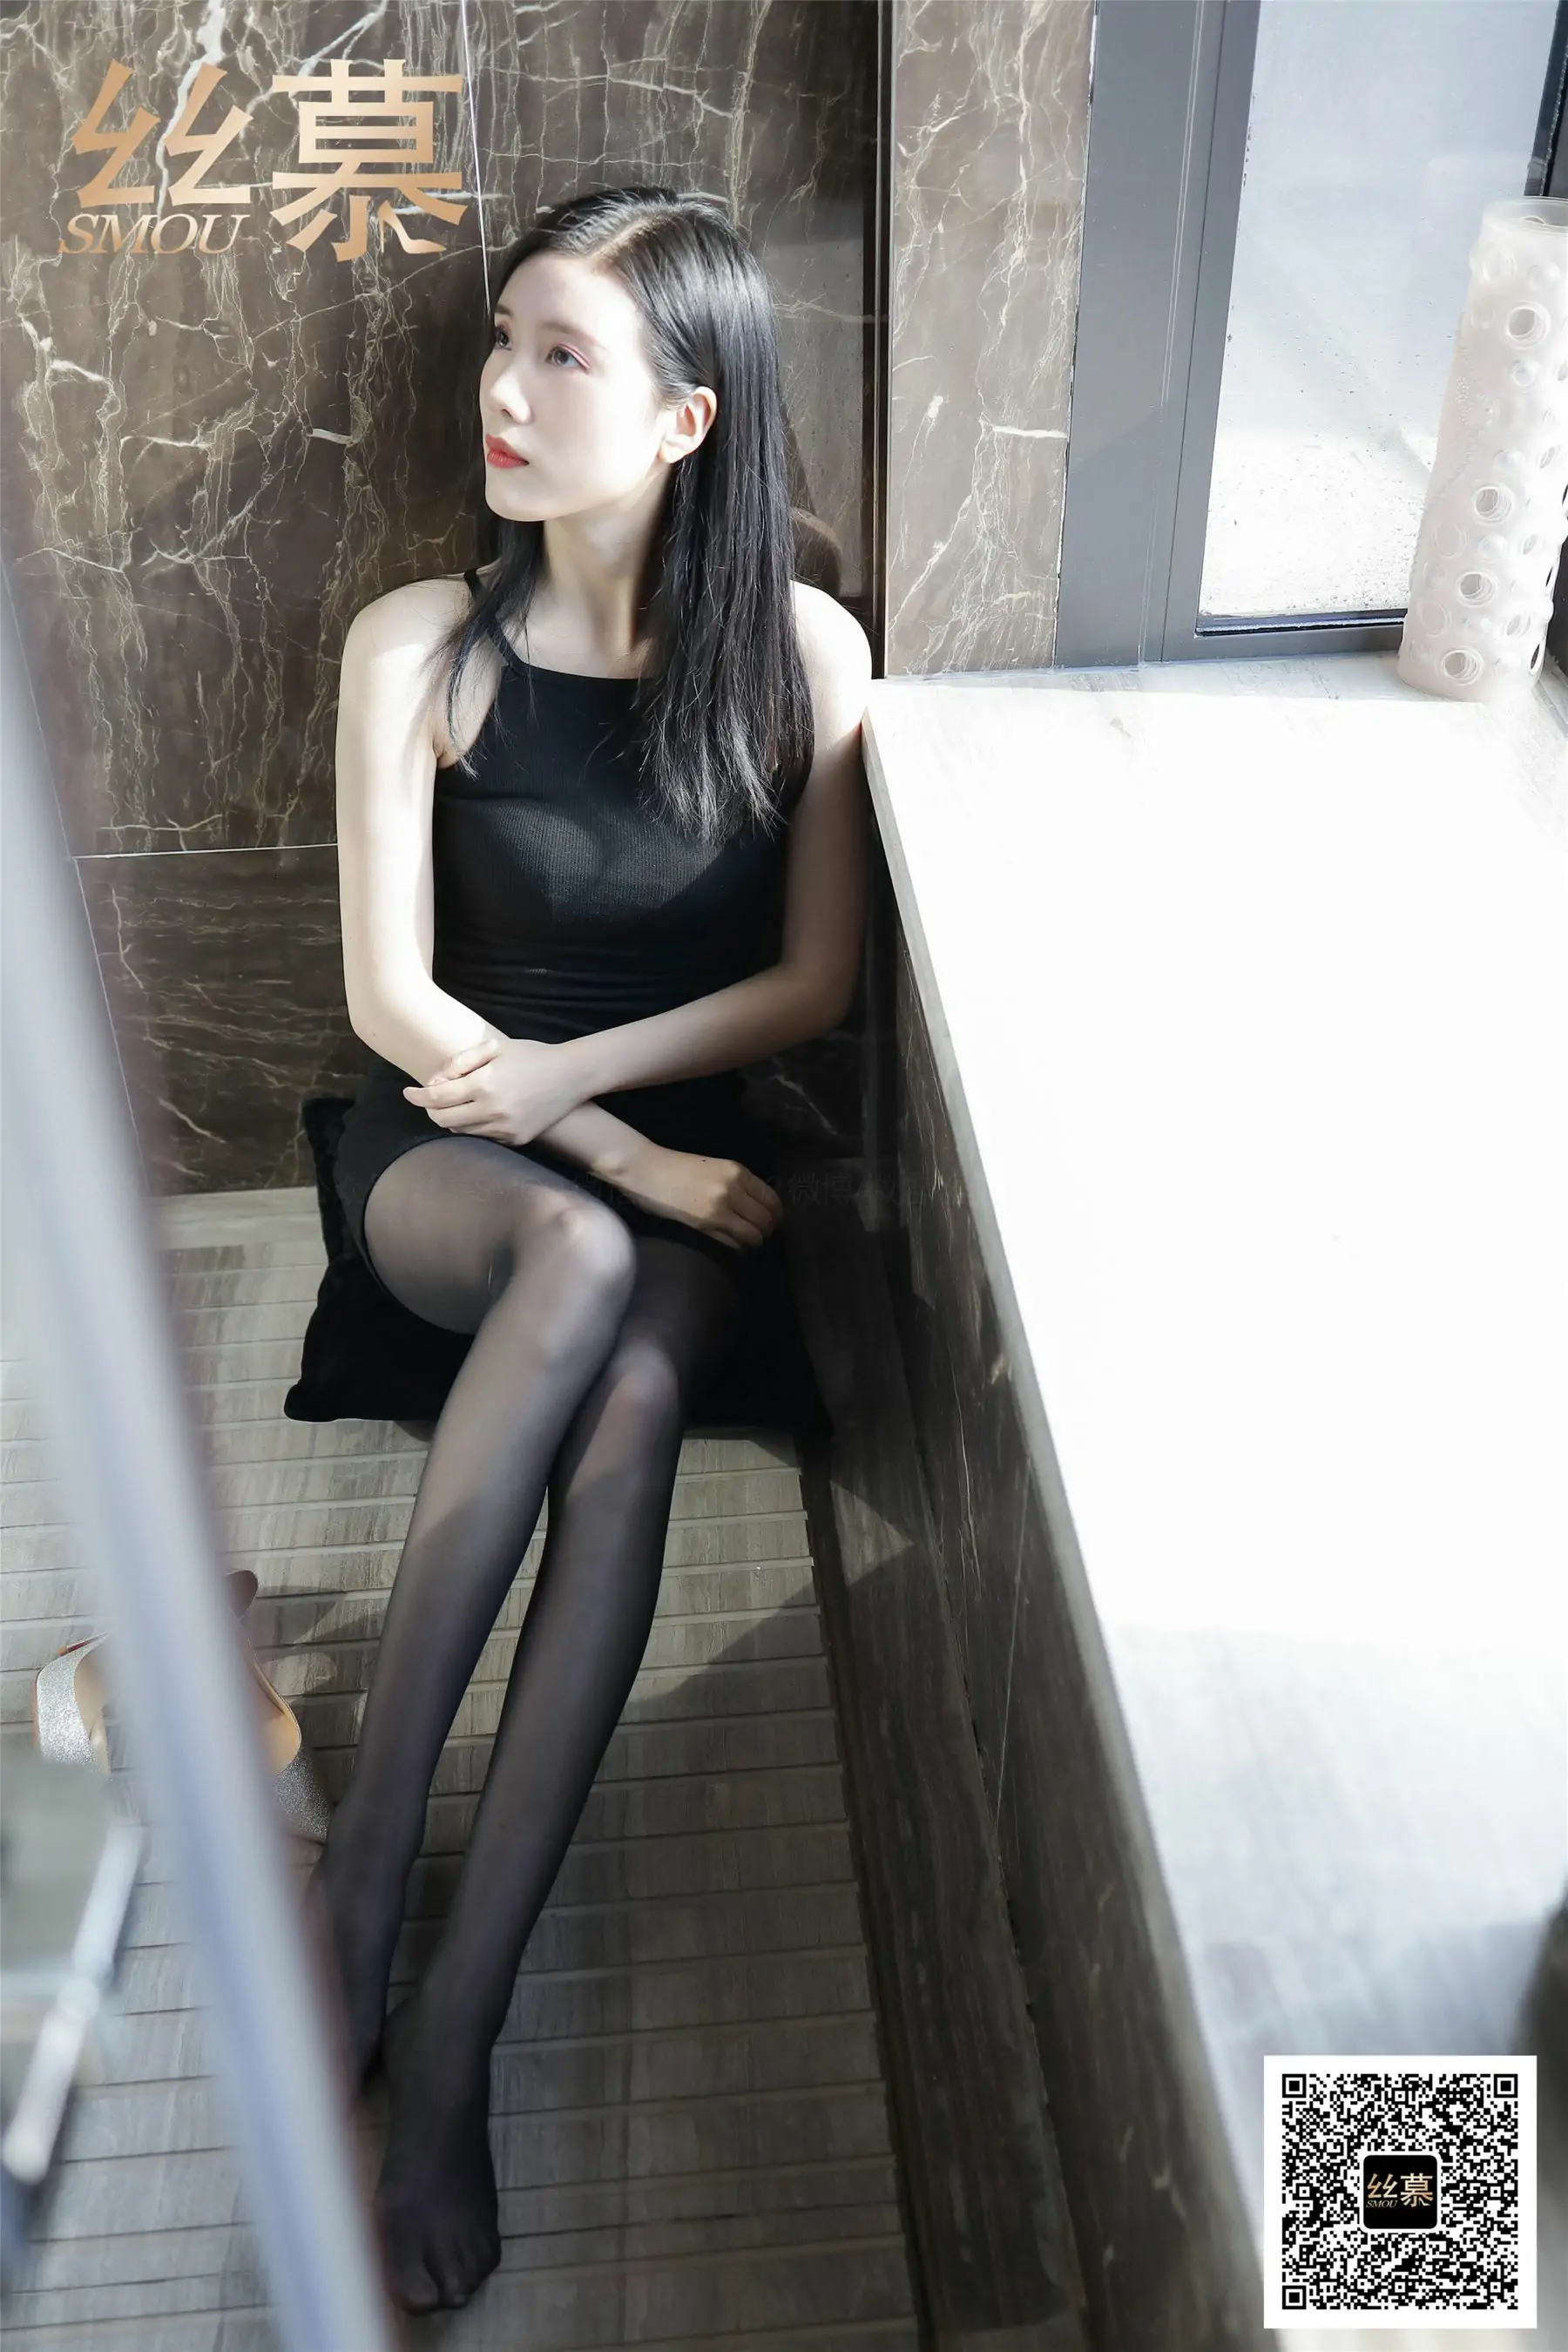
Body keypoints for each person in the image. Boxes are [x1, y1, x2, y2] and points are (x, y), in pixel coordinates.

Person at [301, 183, 872, 2315]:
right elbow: (393, 1000)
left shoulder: (803, 658)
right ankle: (368, 1887)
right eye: (503, 341)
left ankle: (451, 2034)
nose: (506, 392)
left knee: (630, 1391)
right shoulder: (419, 648)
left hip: (679, 1162)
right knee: (576, 1269)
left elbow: (814, 981)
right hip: (455, 1148)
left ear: (689, 418)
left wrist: (617, 1103)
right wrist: (592, 1134)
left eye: (564, 356)